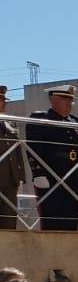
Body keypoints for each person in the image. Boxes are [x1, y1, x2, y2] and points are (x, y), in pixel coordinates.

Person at [26, 85, 78, 231]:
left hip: (73, 175)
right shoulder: (40, 118)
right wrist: (38, 173)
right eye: (65, 99)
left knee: (71, 217)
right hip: (51, 174)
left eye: (71, 100)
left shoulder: (76, 122)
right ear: (53, 100)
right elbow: (33, 148)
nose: (69, 103)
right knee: (51, 218)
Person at [0, 86, 26, 230]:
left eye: (4, 99)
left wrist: (21, 175)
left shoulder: (10, 122)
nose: (5, 103)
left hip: (11, 178)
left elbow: (18, 150)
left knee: (9, 220)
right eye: (1, 99)